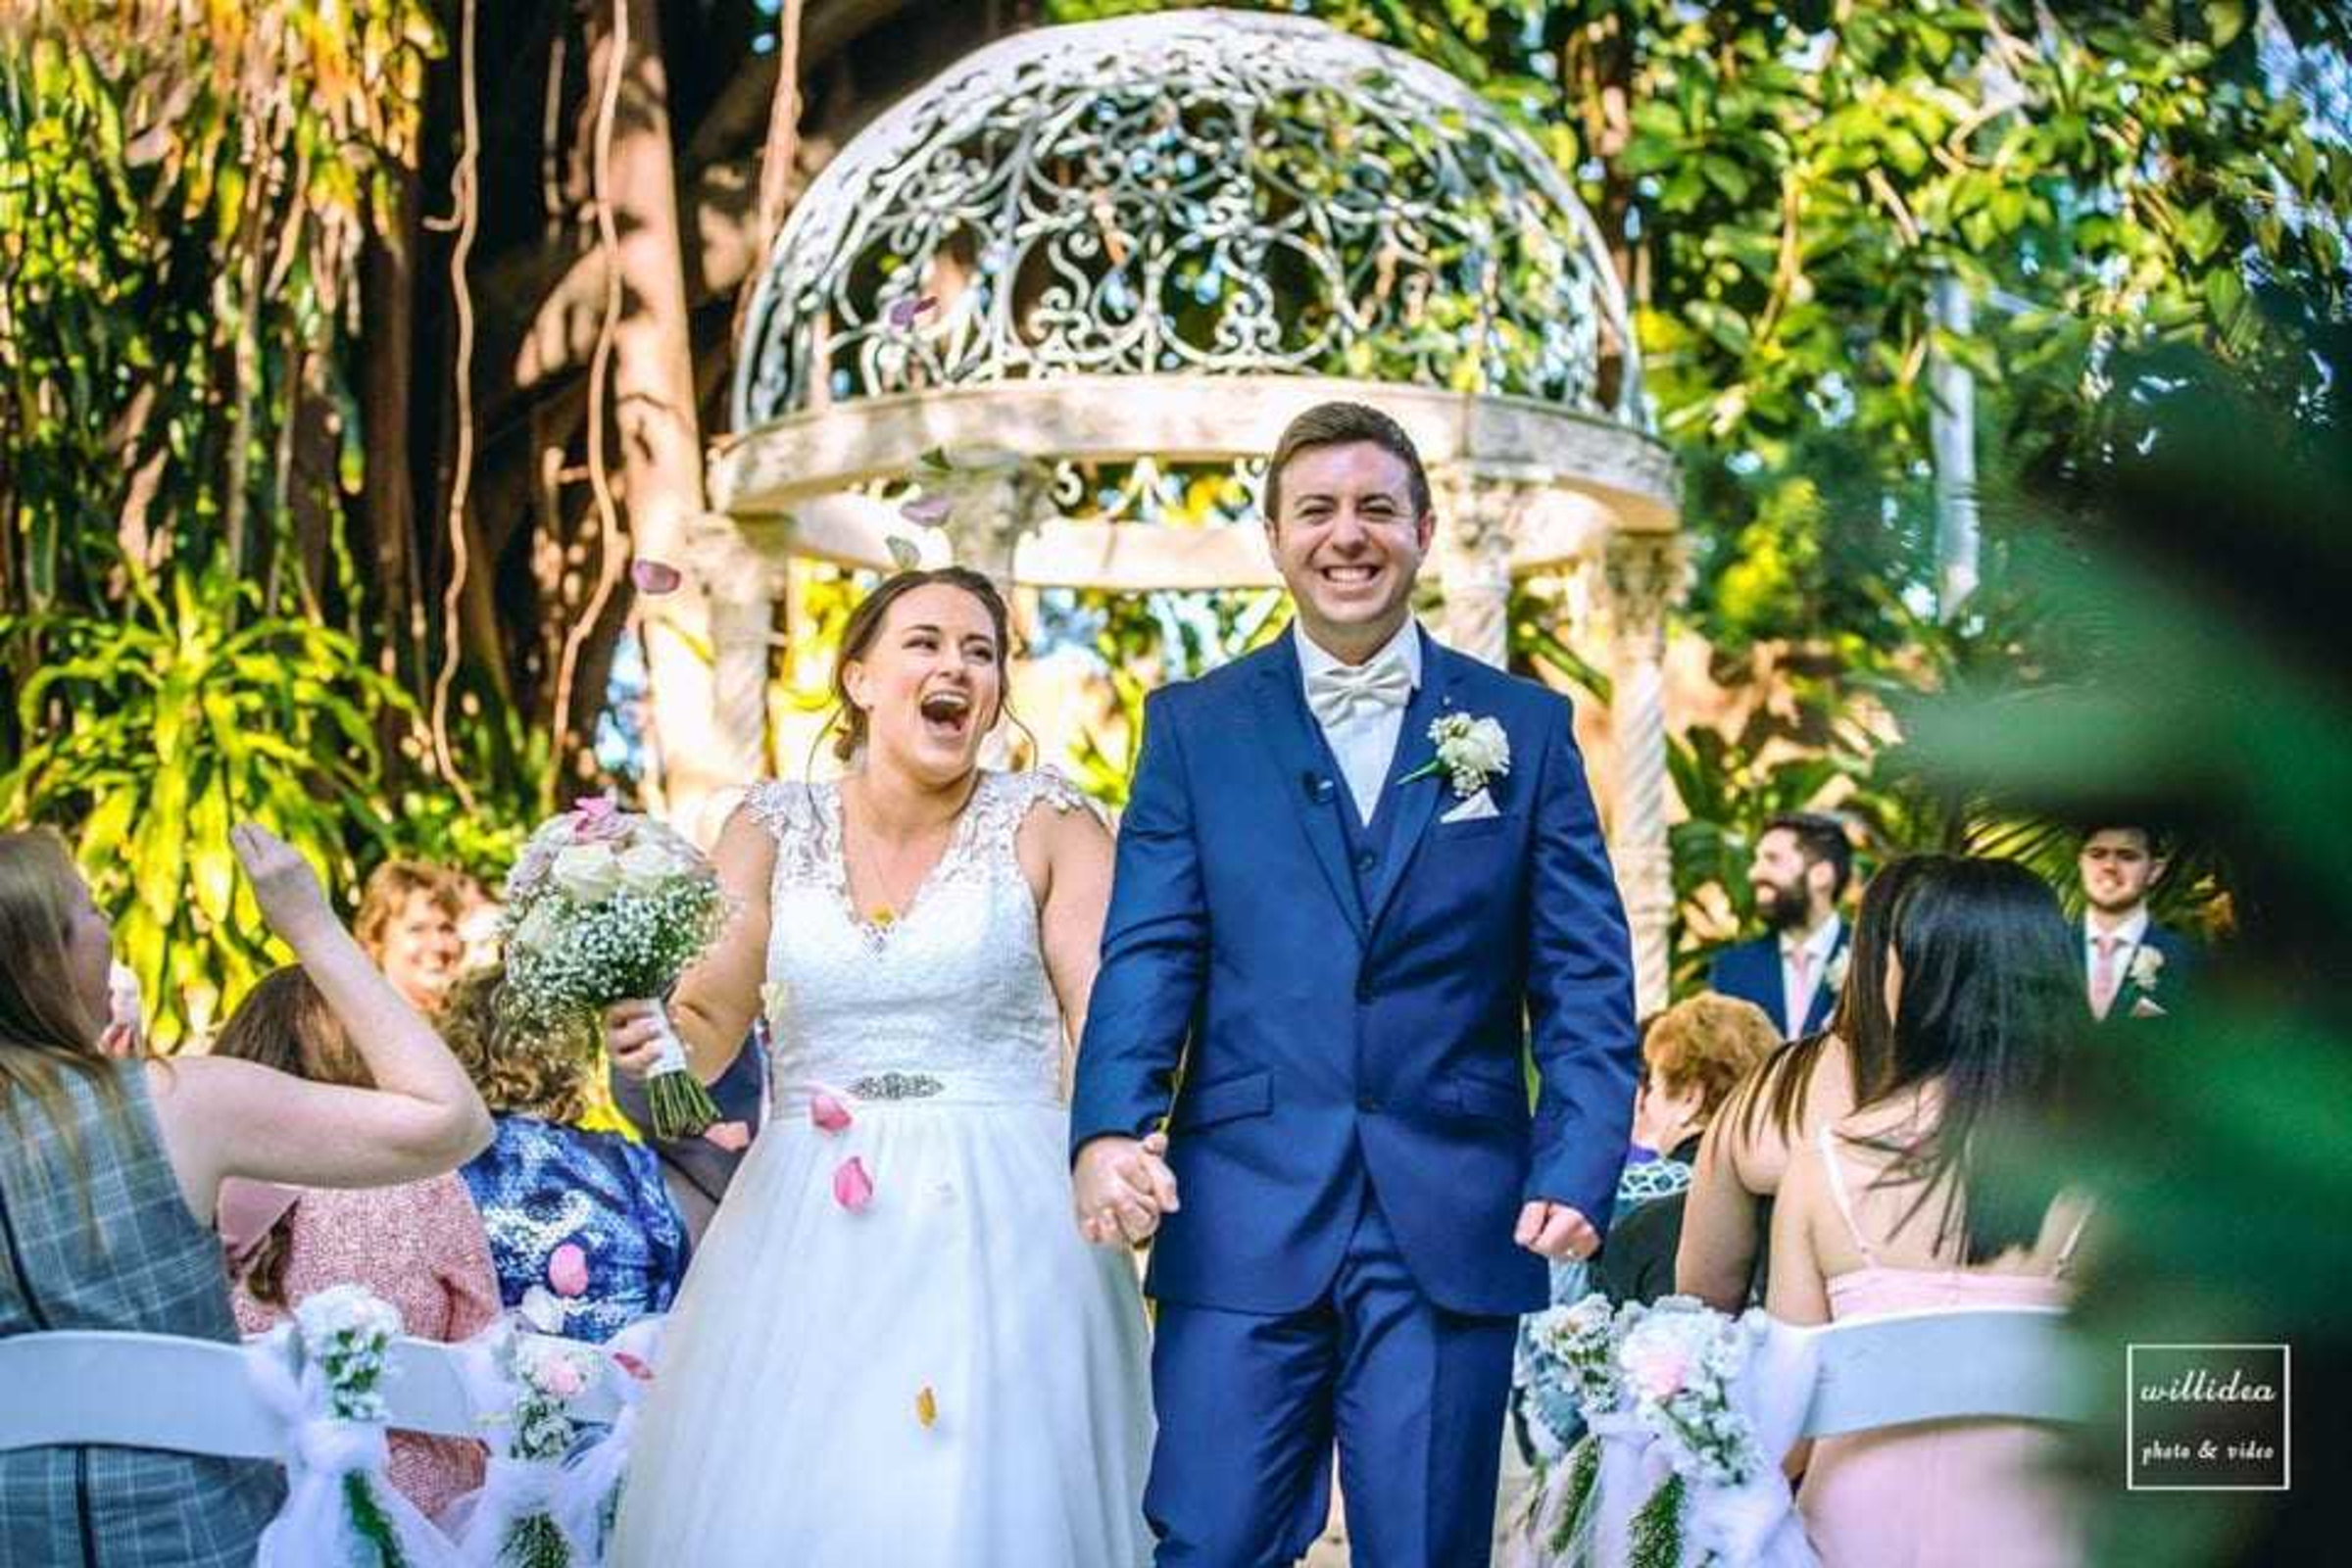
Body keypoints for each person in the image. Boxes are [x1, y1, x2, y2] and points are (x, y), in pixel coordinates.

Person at [1070, 401, 1638, 1565]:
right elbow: (1149, 950)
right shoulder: (1193, 727)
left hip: (1456, 1204)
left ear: (1424, 529)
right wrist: (1110, 1127)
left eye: (1377, 507)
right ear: (1274, 537)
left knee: (1427, 1548)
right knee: (1212, 1538)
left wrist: (1579, 1156)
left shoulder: (1522, 728)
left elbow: (1583, 974)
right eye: (1317, 510)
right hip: (1239, 1204)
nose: (1348, 534)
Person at [605, 567, 1152, 1567]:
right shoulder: (767, 827)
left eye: (981, 651)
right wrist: (652, 1034)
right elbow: (712, 1020)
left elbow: (1108, 1008)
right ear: (858, 677)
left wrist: (1121, 1143)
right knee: (816, 1499)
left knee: (984, 1502)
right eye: (926, 642)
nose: (957, 666)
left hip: (1011, 1215)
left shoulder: (1051, 820)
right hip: (811, 1219)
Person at [0, 824, 490, 1567]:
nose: (109, 926)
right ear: (49, 958)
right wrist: (309, 922)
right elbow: (453, 1122)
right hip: (208, 1539)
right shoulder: (175, 1104)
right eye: (92, 907)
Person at [1768, 856, 2093, 1567]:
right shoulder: (2115, 1173)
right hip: (2051, 1535)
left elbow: (1782, 1426)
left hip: (1854, 1539)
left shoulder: (1825, 1169)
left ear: (1915, 982)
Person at [216, 966, 502, 1522]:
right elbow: (482, 1347)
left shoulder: (208, 1188)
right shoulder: (425, 1183)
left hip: (254, 1511)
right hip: (424, 1516)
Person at [1675, 854, 1930, 1310]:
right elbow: (1703, 1300)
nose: (1755, 871)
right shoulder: (1774, 1086)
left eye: (1773, 858)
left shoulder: (1779, 1092)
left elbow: (1705, 1301)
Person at [442, 968, 688, 1344]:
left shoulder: (446, 1168)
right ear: (574, 1052)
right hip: (623, 1375)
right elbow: (675, 1269)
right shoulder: (625, 1161)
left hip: (492, 1382)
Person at [1593, 993, 1780, 1307]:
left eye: (1654, 1085)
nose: (1647, 1102)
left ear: (1691, 1098)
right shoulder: (1788, 1198)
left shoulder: (1625, 1204)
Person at [1710, 812, 1854, 1039]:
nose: (1753, 873)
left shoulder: (1874, 958)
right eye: (1756, 860)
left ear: (1821, 875)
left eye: (1772, 859)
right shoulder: (1731, 969)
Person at [2076, 823, 2194, 1021]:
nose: (2109, 866)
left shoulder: (2190, 961)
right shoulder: (2042, 951)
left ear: (2155, 870)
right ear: (2081, 862)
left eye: (2127, 856)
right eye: (2097, 854)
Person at [355, 858, 466, 1016]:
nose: (438, 945)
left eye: (446, 929)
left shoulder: (481, 1026)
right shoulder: (361, 1029)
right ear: (377, 941)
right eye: (417, 929)